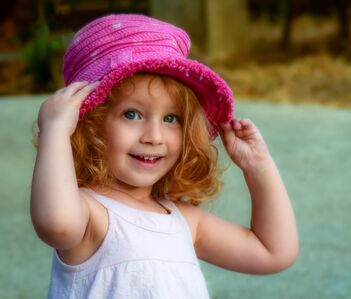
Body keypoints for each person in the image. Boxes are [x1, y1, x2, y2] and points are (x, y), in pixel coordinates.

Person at [30, 14, 298, 299]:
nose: (154, 136)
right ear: (88, 125)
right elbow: (55, 224)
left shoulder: (184, 220)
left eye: (172, 118)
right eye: (132, 114)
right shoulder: (90, 213)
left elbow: (274, 252)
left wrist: (258, 167)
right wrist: (56, 131)